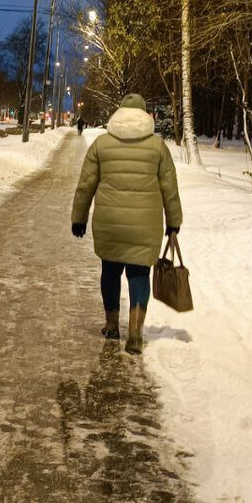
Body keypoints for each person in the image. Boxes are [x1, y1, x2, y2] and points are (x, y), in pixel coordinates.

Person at [70, 93, 183, 354]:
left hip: (109, 222)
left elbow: (85, 185)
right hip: (145, 224)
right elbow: (170, 188)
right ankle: (135, 332)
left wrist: (79, 218)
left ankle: (111, 325)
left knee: (110, 271)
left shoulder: (102, 145)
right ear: (145, 116)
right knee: (138, 274)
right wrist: (174, 221)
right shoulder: (157, 147)